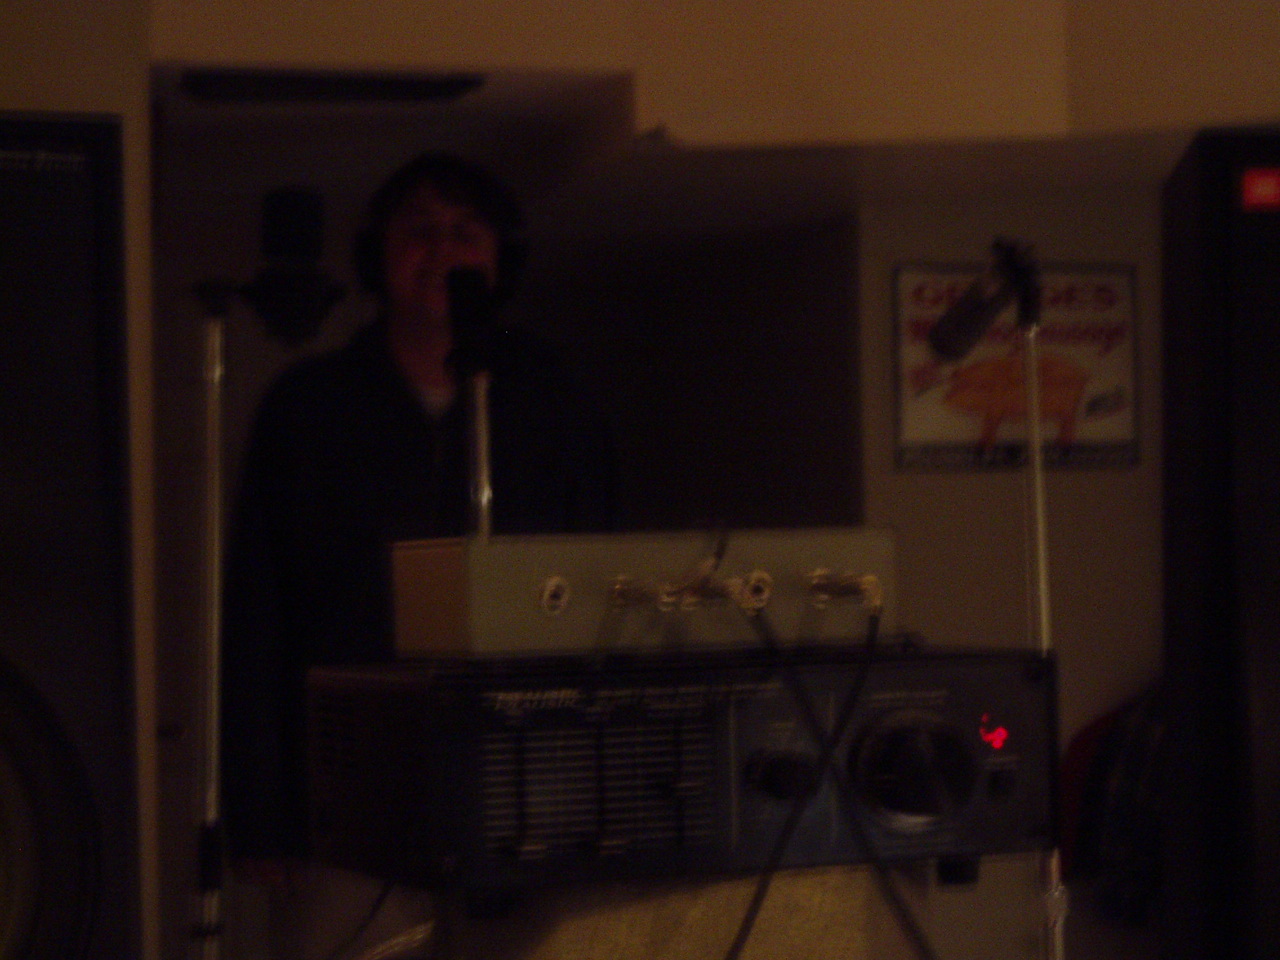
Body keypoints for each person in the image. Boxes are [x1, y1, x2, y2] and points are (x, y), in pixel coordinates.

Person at [220, 152, 615, 958]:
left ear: (499, 256)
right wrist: (260, 810)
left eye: (466, 231)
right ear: (380, 252)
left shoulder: (555, 398)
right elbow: (259, 614)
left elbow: (602, 590)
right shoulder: (309, 407)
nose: (443, 251)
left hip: (528, 789)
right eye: (420, 229)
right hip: (345, 794)